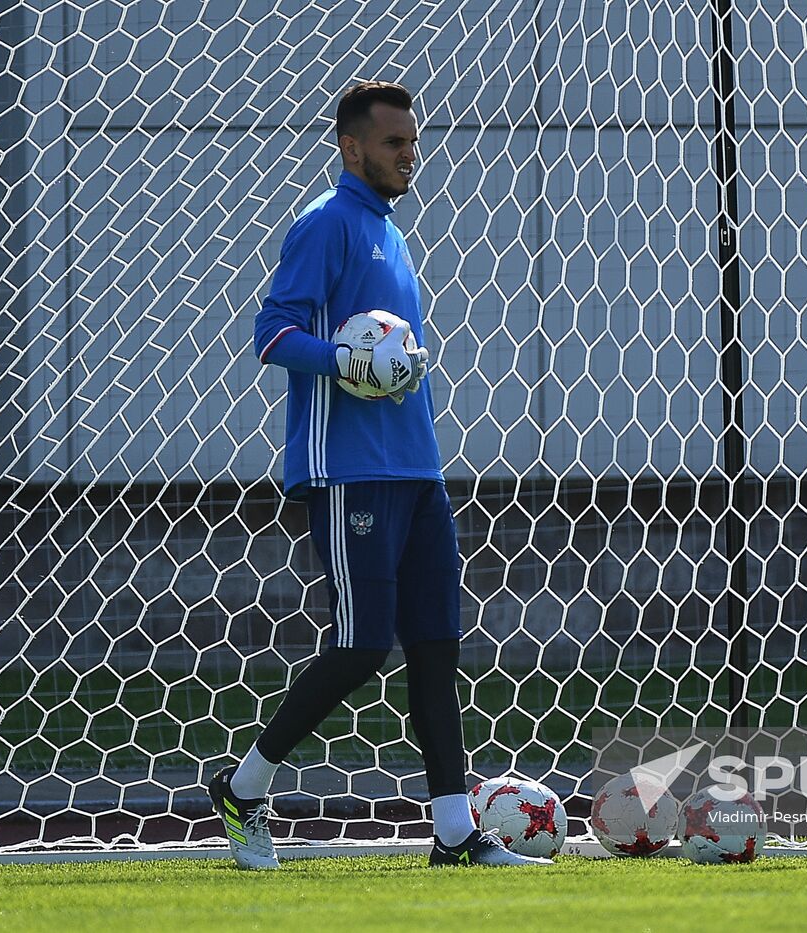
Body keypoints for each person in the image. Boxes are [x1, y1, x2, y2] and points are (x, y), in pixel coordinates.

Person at [207, 80, 550, 869]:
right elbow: (271, 333)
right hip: (348, 473)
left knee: (436, 647)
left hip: (418, 472)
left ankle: (456, 835)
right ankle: (245, 785)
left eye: (413, 141)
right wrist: (347, 362)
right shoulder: (326, 224)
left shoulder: (392, 236)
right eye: (394, 142)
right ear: (351, 147)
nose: (409, 155)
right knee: (361, 646)